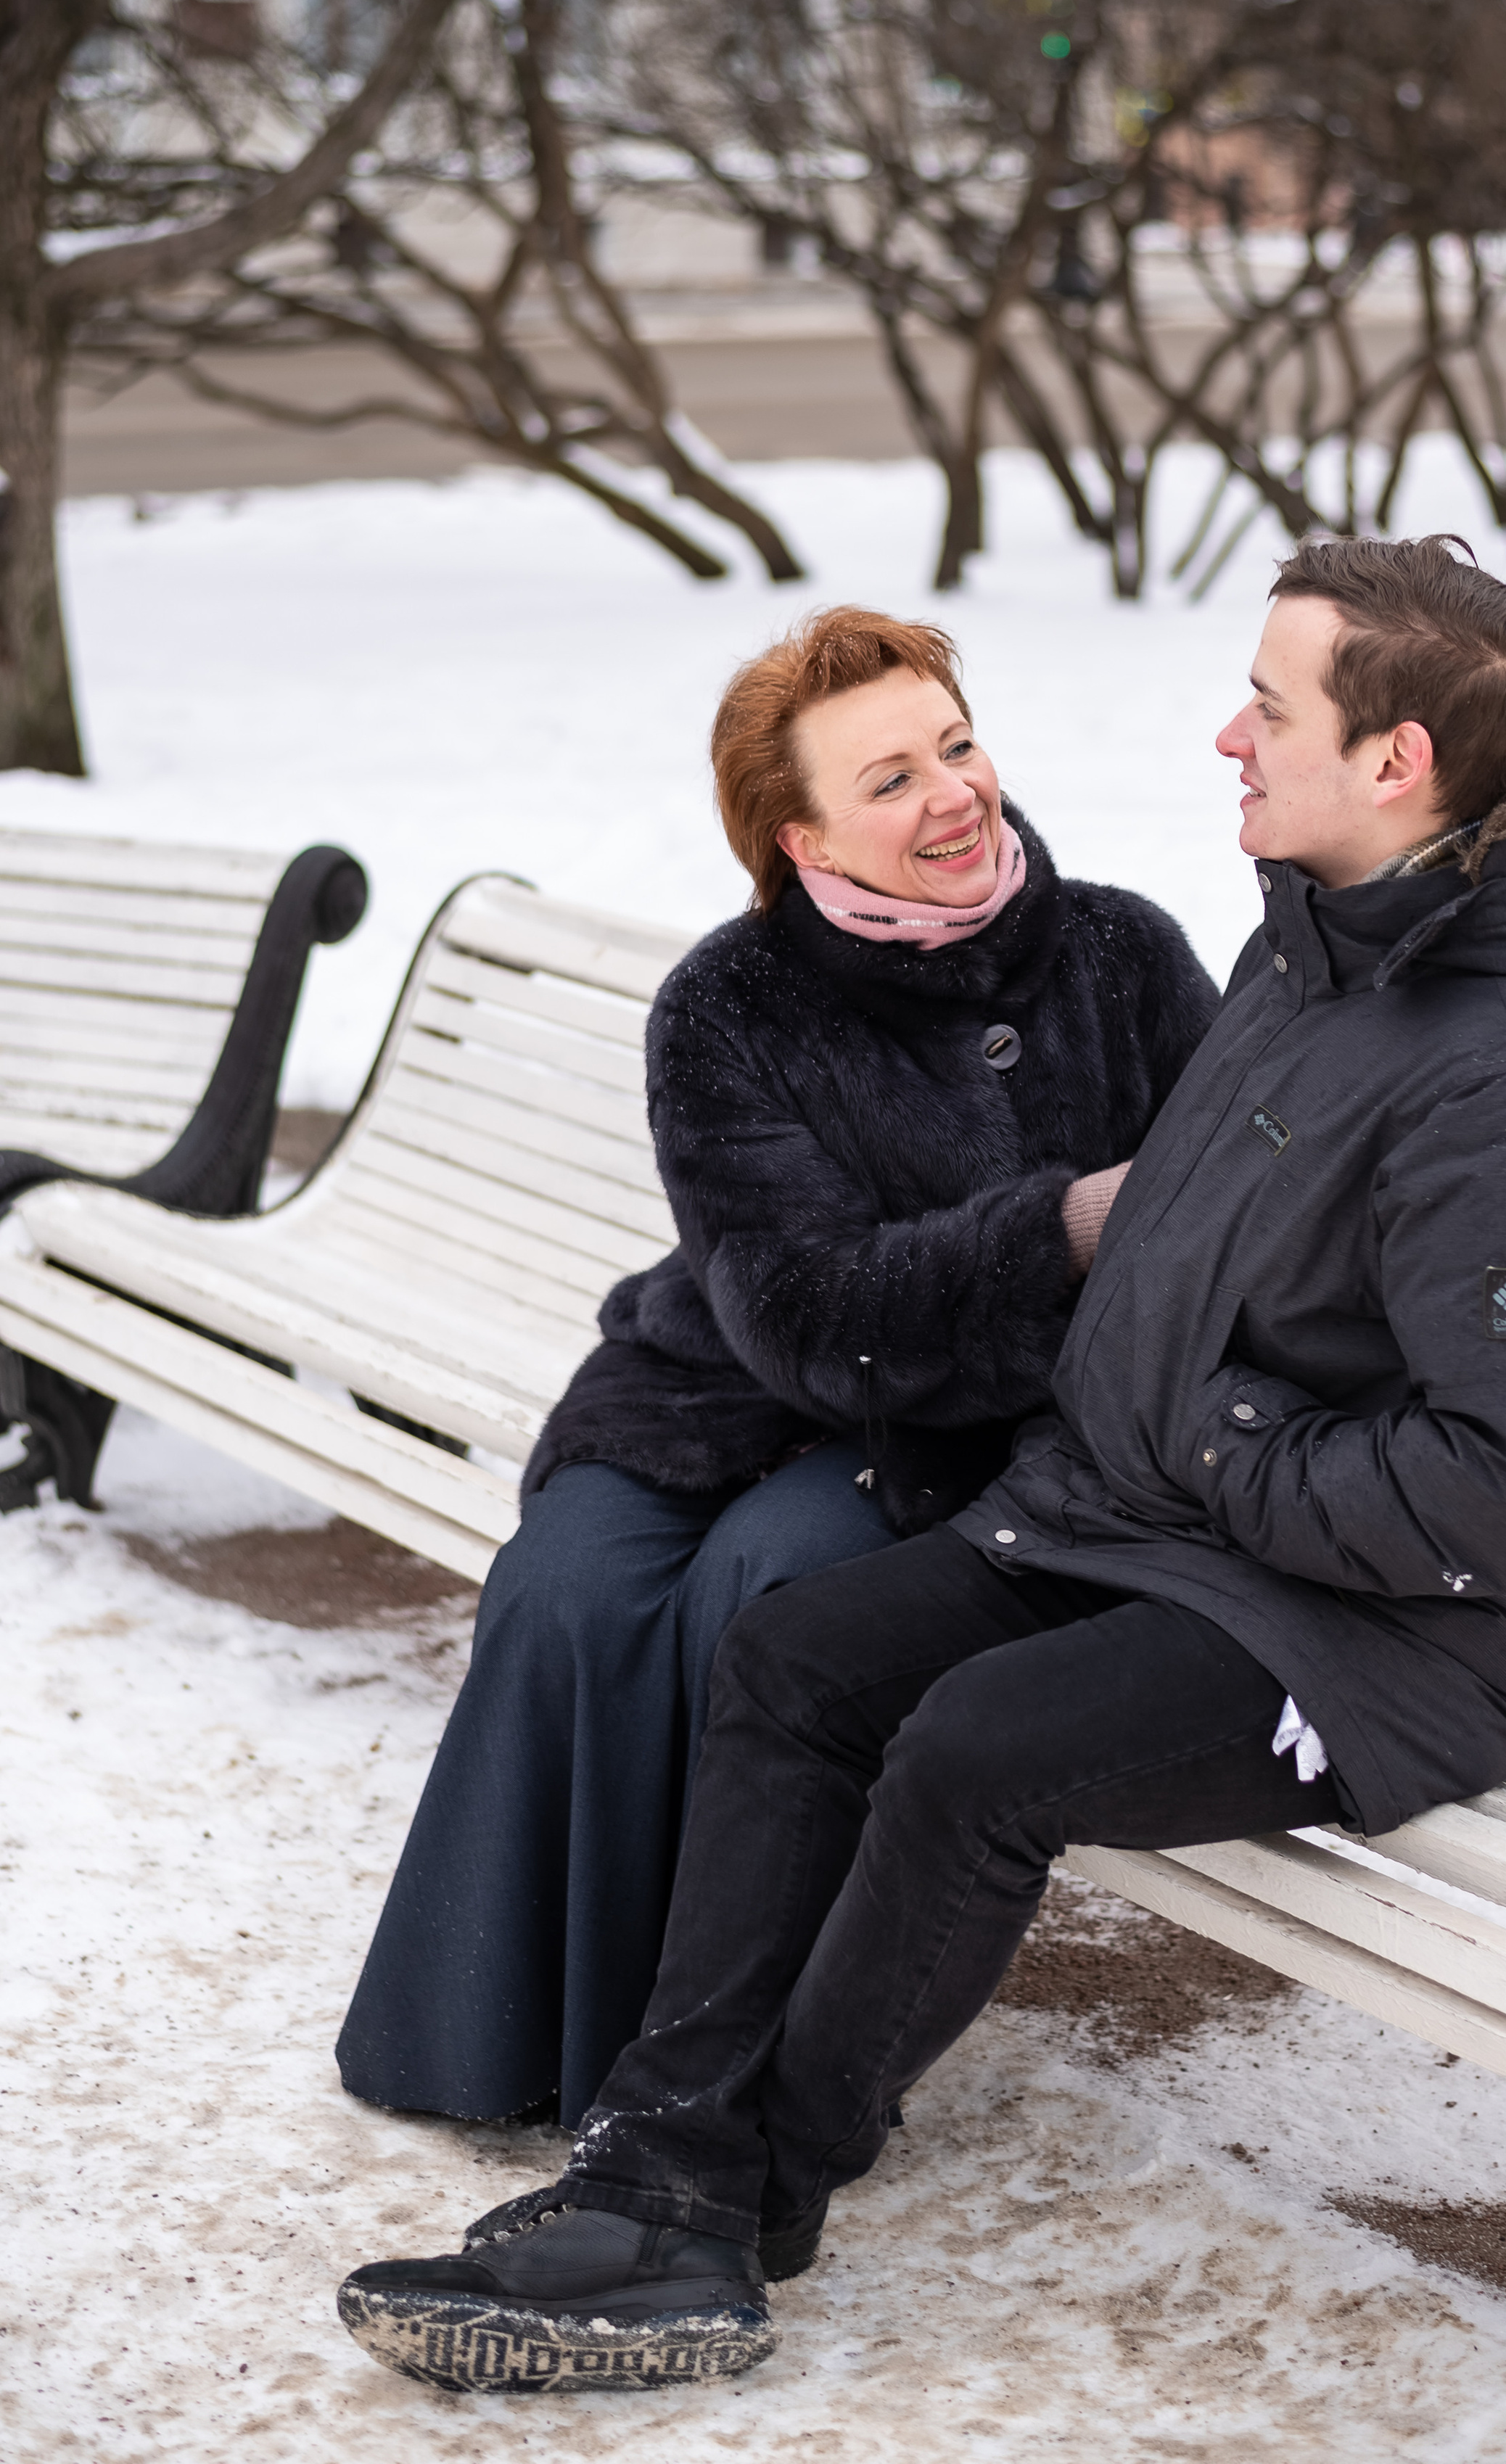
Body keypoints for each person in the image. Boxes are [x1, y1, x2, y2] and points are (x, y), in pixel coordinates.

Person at [337, 535, 1506, 2397]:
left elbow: (1505, 1496)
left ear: (1391, 764)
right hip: (1171, 1527)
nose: (1222, 732)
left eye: (1267, 701)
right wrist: (1164, 1430)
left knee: (970, 1760)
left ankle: (741, 2196)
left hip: (1389, 1629)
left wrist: (1213, 1437)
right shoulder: (1315, 956)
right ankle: (657, 2164)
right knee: (794, 1657)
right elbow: (1176, 1269)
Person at [336, 604, 1219, 2130]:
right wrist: (1057, 1228)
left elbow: (1221, 1226)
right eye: (887, 781)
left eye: (954, 746)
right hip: (720, 1387)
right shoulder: (728, 1004)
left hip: (984, 1436)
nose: (952, 795)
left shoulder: (1122, 955)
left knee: (771, 1590)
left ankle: (702, 2072)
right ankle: (486, 2040)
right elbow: (807, 1311)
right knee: (564, 1588)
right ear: (799, 836)